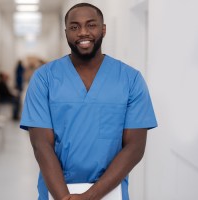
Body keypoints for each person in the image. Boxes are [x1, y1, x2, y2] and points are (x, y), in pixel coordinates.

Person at [20, 3, 157, 200]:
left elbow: (135, 147)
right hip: (56, 190)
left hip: (110, 191)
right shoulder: (44, 79)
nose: (83, 32)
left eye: (91, 25)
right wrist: (64, 197)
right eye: (74, 27)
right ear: (66, 33)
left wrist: (90, 196)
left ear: (103, 29)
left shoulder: (130, 79)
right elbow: (41, 145)